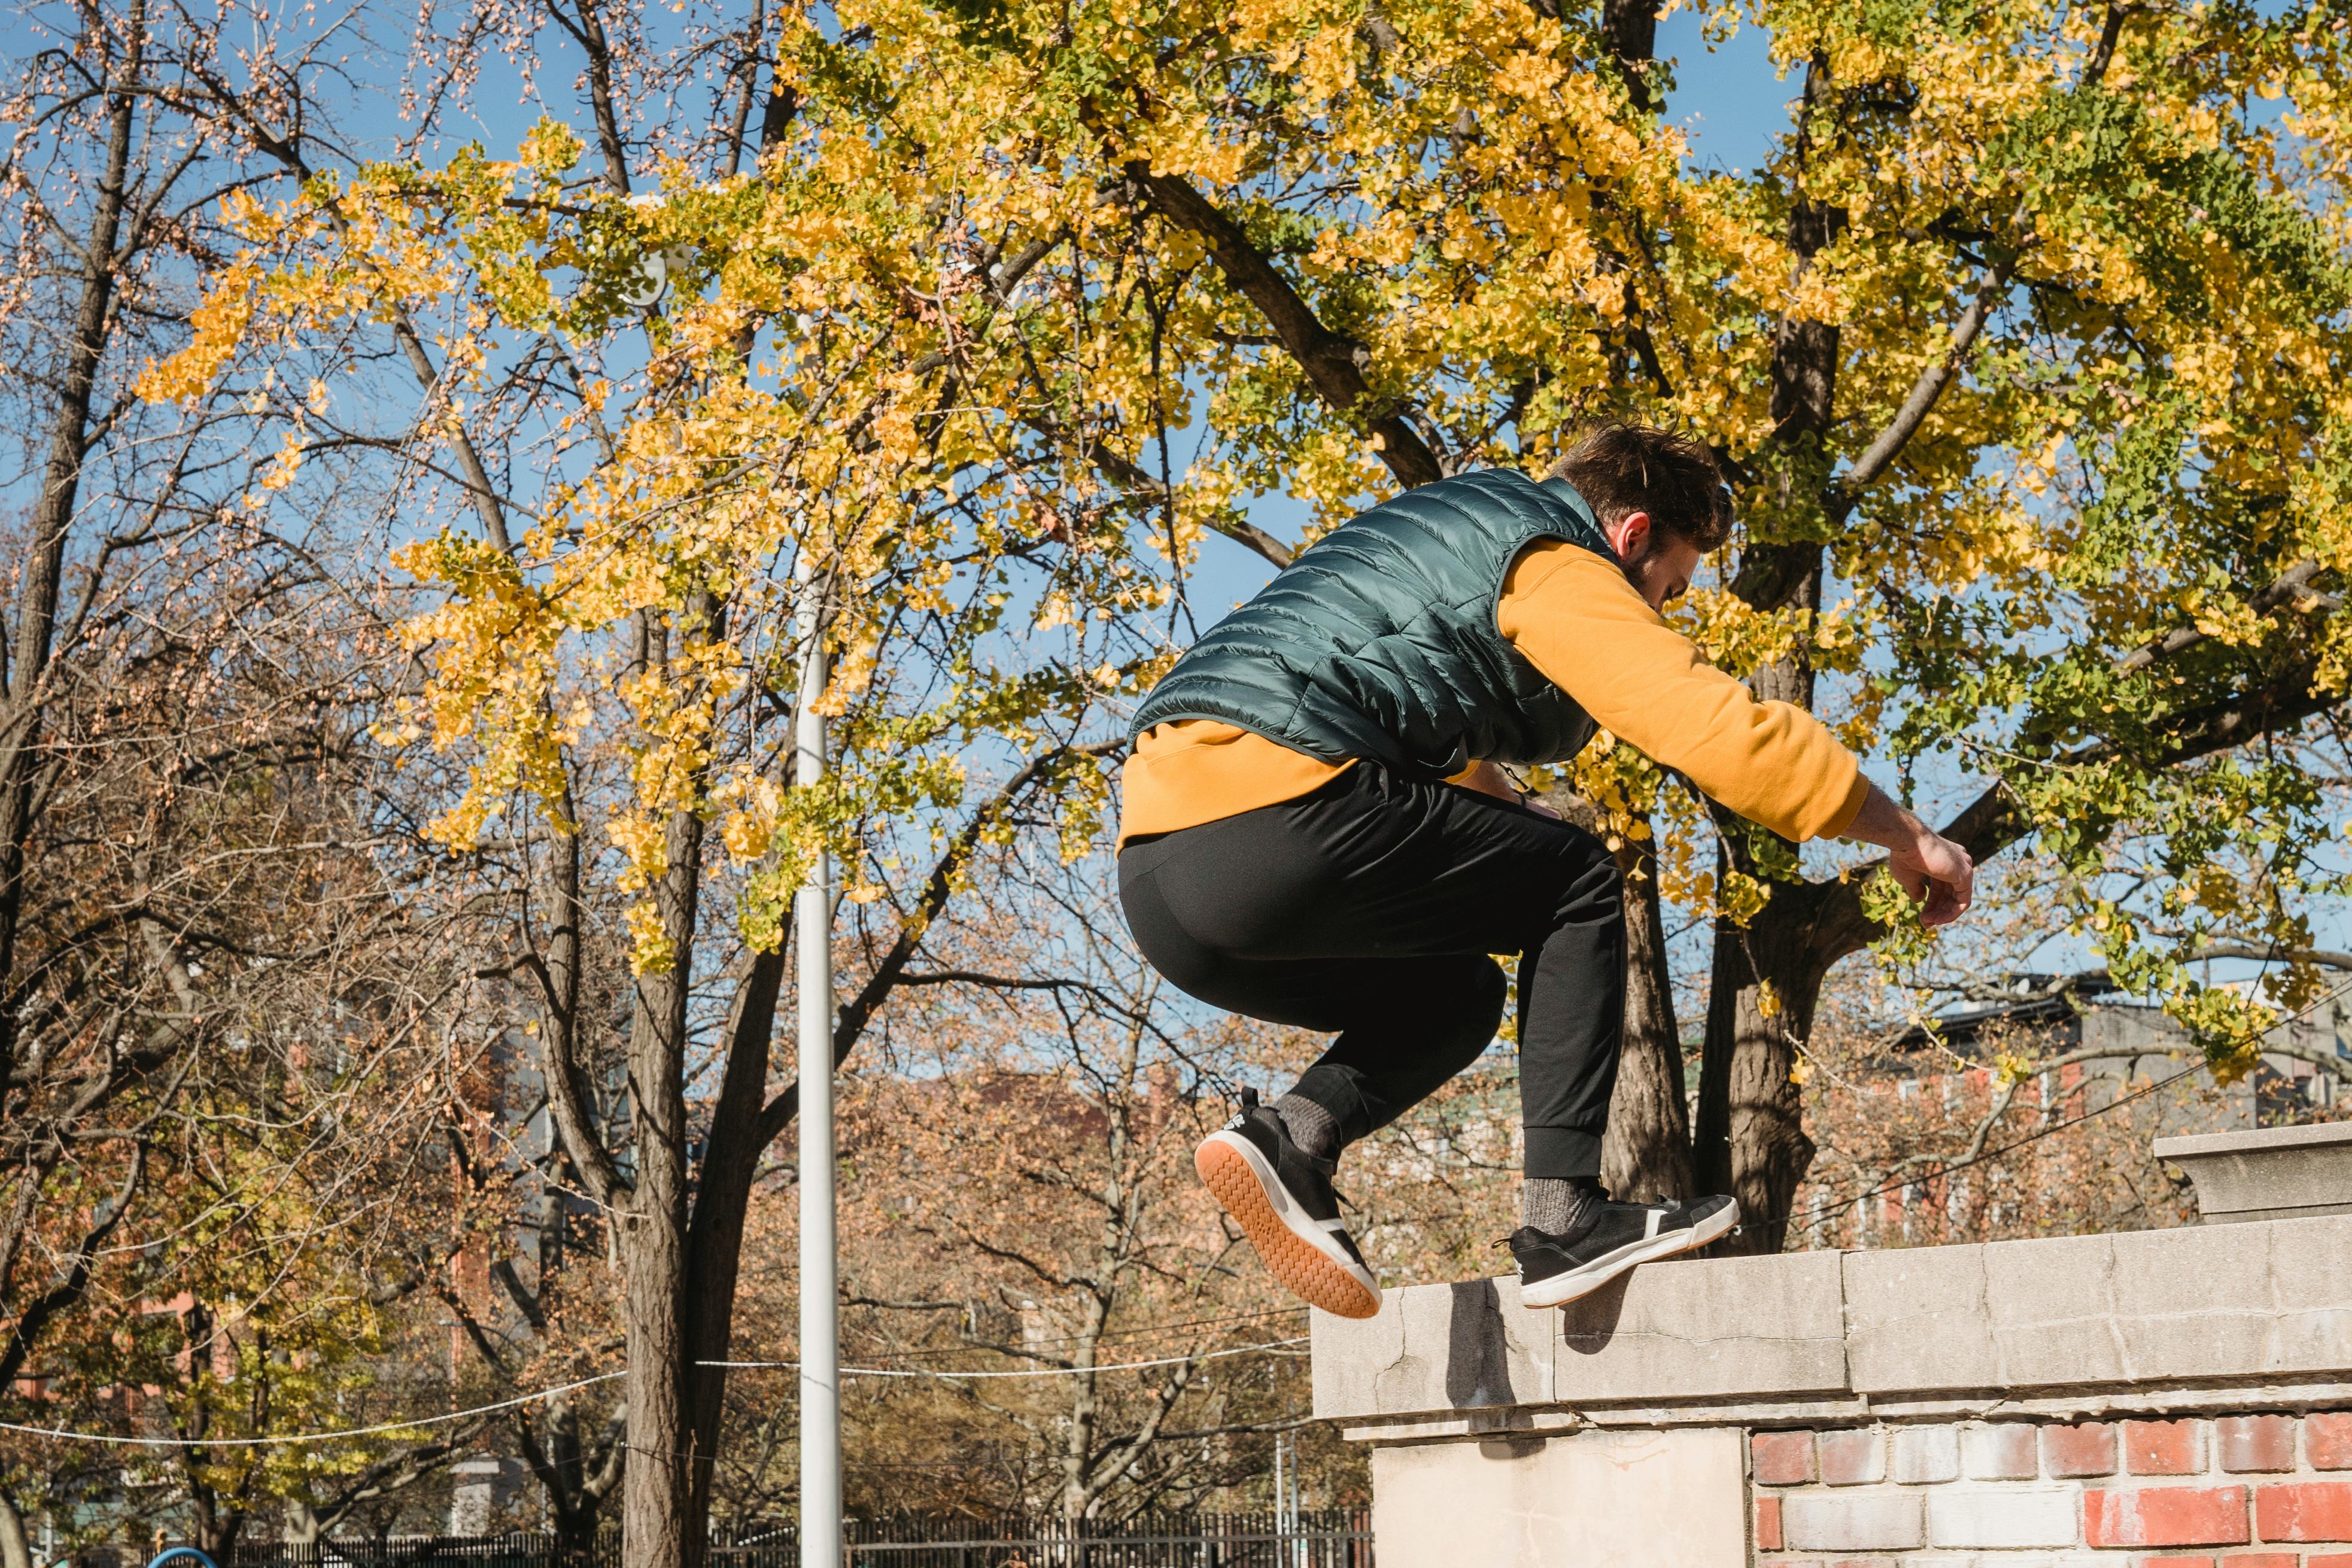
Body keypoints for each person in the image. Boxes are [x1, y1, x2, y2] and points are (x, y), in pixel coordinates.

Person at [1115, 424, 1974, 1318]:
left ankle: (1292, 1136)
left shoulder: (1452, 530)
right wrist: (1903, 834)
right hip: (1284, 822)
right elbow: (1706, 724)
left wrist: (1504, 807)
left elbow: (1402, 703)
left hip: (1170, 880)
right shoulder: (1554, 559)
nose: (1662, 611)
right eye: (1668, 588)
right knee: (1580, 877)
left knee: (1456, 998)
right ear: (1631, 535)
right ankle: (1564, 1218)